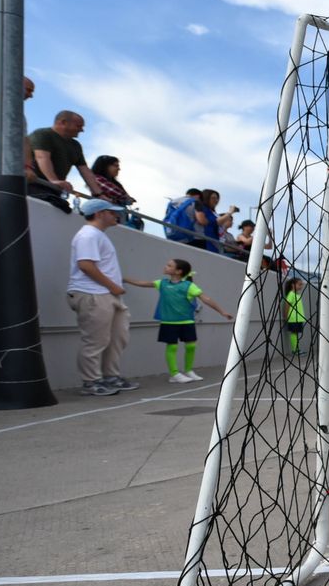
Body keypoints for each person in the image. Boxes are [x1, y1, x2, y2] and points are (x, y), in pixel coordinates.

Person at [66, 199, 142, 396]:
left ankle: (111, 376)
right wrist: (114, 287)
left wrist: (114, 287)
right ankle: (91, 382)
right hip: (93, 294)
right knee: (95, 341)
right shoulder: (88, 235)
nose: (116, 215)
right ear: (99, 213)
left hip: (105, 294)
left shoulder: (97, 235)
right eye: (112, 212)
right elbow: (86, 265)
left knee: (117, 337)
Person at [125, 257, 233, 382]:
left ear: (178, 271)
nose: (166, 266)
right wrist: (125, 279)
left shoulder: (189, 286)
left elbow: (206, 299)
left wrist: (222, 312)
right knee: (172, 347)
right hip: (169, 322)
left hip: (187, 321)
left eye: (169, 265)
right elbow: (142, 283)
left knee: (191, 346)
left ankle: (188, 370)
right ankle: (174, 374)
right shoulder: (162, 283)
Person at [29, 110, 99, 213]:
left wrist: (98, 194)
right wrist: (53, 180)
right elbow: (42, 157)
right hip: (34, 185)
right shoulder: (43, 134)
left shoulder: (76, 146)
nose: (82, 130)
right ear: (63, 122)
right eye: (79, 126)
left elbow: (85, 170)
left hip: (54, 190)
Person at [283, 276, 307, 357]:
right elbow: (287, 305)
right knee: (294, 334)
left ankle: (297, 349)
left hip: (298, 318)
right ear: (293, 285)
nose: (301, 286)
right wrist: (286, 316)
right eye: (299, 284)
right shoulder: (291, 294)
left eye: (301, 284)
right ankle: (295, 350)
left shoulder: (297, 295)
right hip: (293, 318)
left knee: (296, 334)